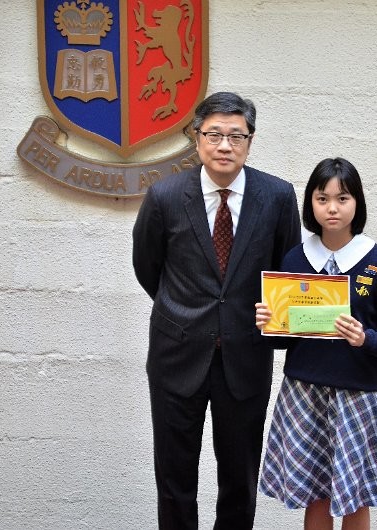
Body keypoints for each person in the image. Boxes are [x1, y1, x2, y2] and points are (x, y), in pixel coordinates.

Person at [132, 91, 301, 530]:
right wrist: (185, 311)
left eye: (236, 136)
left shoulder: (277, 196)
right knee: (174, 479)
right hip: (177, 355)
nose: (225, 145)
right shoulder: (165, 195)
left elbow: (286, 269)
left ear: (250, 140)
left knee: (240, 480)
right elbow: (148, 268)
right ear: (197, 138)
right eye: (214, 135)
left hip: (245, 356)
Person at [255, 157, 377, 530]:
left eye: (343, 198)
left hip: (357, 395)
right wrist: (269, 325)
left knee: (355, 498)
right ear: (310, 203)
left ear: (357, 202)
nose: (332, 208)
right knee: (316, 494)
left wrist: (366, 338)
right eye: (322, 198)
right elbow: (284, 340)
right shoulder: (296, 258)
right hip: (304, 392)